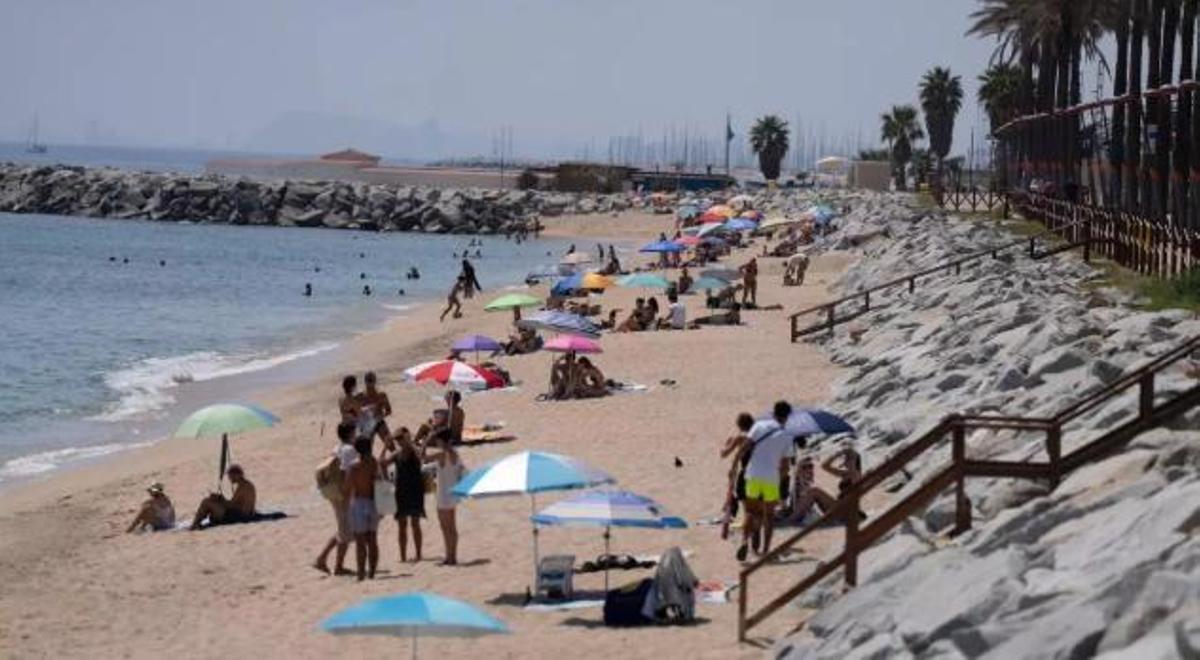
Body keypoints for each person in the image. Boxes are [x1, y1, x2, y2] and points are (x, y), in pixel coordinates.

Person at [737, 402, 795, 560]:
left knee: (750, 511)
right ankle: (766, 550)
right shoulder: (787, 436)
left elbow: (743, 449)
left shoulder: (759, 426)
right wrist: (779, 479)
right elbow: (785, 466)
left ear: (773, 412)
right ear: (787, 416)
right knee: (769, 516)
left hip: (753, 474)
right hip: (771, 477)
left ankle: (744, 541)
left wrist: (733, 468)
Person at [314, 422, 357, 575]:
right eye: (355, 431)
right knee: (345, 531)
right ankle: (337, 566)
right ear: (351, 433)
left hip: (333, 491)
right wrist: (347, 492)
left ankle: (322, 559)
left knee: (343, 528)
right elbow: (347, 472)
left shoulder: (337, 447)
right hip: (343, 493)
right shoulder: (349, 450)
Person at [790, 447, 866, 525]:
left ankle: (792, 519)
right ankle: (797, 516)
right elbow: (824, 465)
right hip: (839, 506)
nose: (846, 460)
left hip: (847, 510)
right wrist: (837, 454)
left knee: (815, 491)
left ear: (854, 461)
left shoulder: (856, 474)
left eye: (849, 459)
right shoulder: (845, 474)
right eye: (846, 458)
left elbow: (854, 478)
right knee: (811, 491)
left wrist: (851, 455)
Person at [424, 429, 462, 566]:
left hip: (443, 495)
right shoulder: (455, 454)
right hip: (453, 494)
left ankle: (449, 557)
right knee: (452, 527)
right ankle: (452, 556)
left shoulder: (442, 454)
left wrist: (425, 442)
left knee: (446, 528)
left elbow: (424, 458)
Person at [344, 437, 380, 581]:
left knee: (360, 541)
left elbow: (347, 487)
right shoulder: (373, 462)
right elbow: (378, 481)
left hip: (359, 502)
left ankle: (361, 574)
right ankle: (371, 572)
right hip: (373, 502)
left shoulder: (354, 466)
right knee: (372, 540)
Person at [719, 414, 755, 541]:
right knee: (755, 508)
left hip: (745, 474)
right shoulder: (758, 436)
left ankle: (745, 538)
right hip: (760, 474)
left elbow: (724, 454)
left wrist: (728, 443)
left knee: (744, 508)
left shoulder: (741, 437)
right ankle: (753, 535)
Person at [189, 465, 257, 530]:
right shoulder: (247, 484)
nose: (229, 478)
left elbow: (232, 505)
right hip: (240, 514)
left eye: (230, 475)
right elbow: (236, 504)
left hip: (237, 516)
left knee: (206, 502)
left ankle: (194, 524)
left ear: (237, 475)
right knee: (210, 501)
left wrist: (221, 500)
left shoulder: (243, 487)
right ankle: (196, 523)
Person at [361, 371, 392, 443]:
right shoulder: (361, 396)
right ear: (365, 381)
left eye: (371, 380)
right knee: (367, 450)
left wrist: (381, 416)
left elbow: (389, 410)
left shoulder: (381, 395)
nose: (369, 383)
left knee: (390, 445)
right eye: (368, 380)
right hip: (368, 425)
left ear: (375, 381)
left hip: (379, 422)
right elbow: (358, 412)